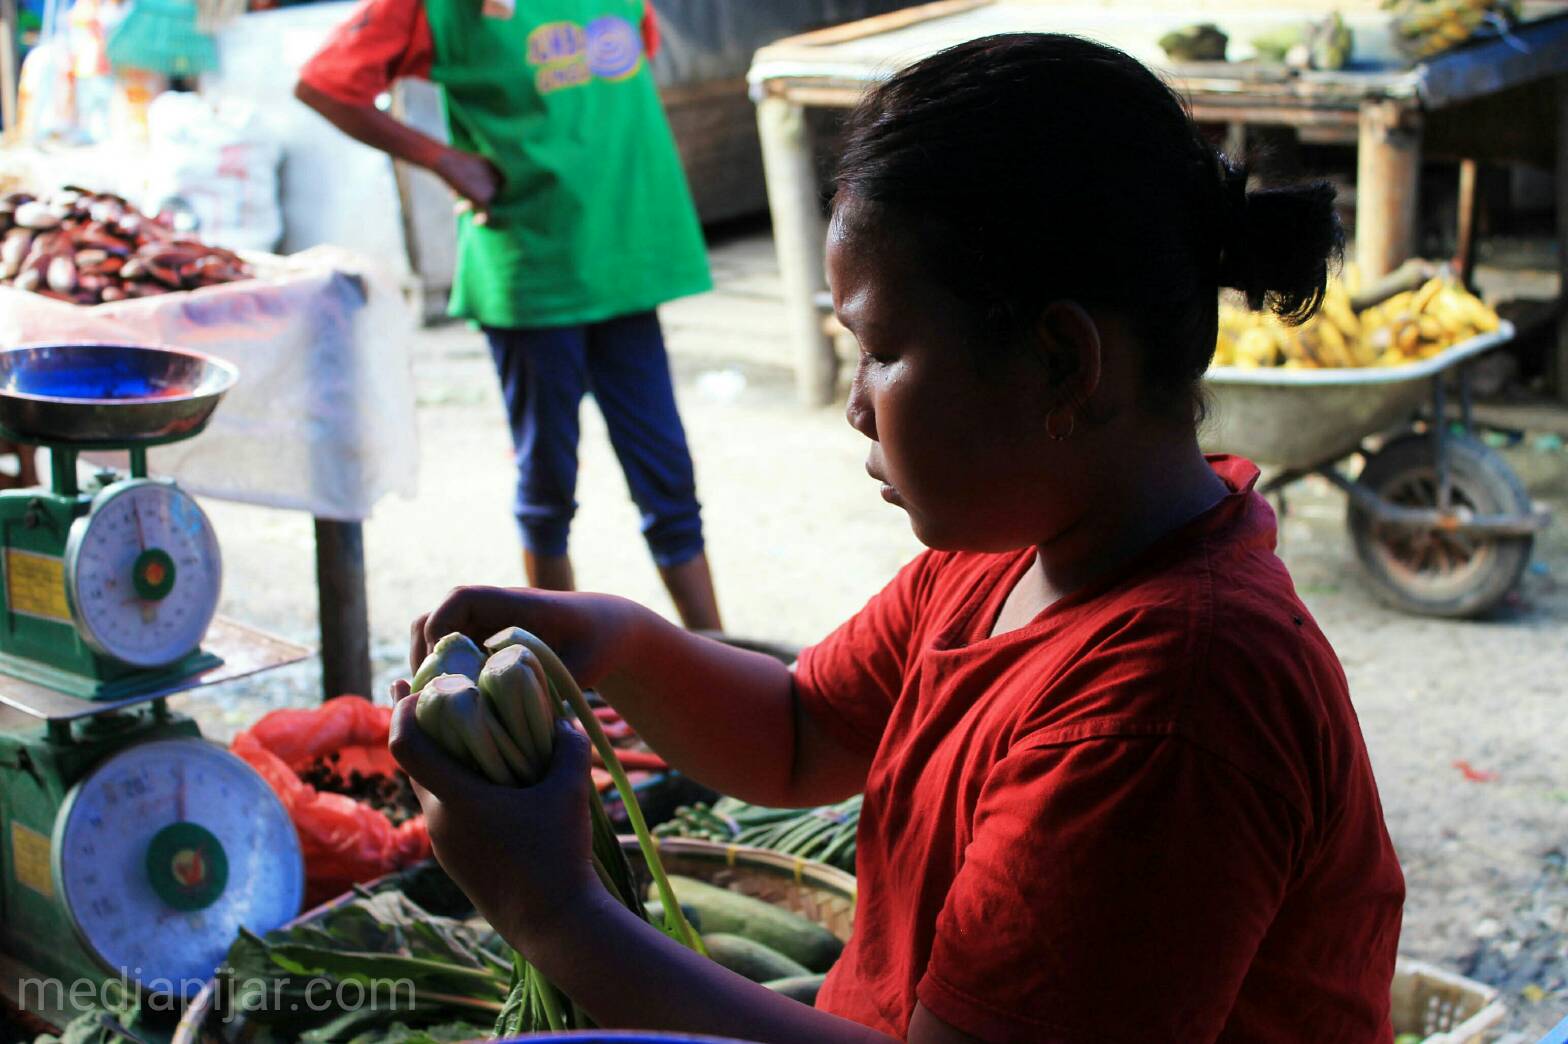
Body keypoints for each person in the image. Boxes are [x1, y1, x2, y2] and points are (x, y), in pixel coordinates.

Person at [389, 33, 1406, 1043]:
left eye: (880, 351)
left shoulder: (1166, 709)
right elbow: (800, 734)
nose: (855, 407)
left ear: (1060, 363)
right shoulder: (1011, 552)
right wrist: (607, 641)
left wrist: (552, 911)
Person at [295, 0, 722, 630]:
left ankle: (716, 650)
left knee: (668, 474)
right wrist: (443, 158)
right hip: (533, 271)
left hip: (629, 255)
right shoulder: (434, 9)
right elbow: (326, 84)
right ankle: (555, 672)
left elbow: (624, 72)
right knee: (549, 481)